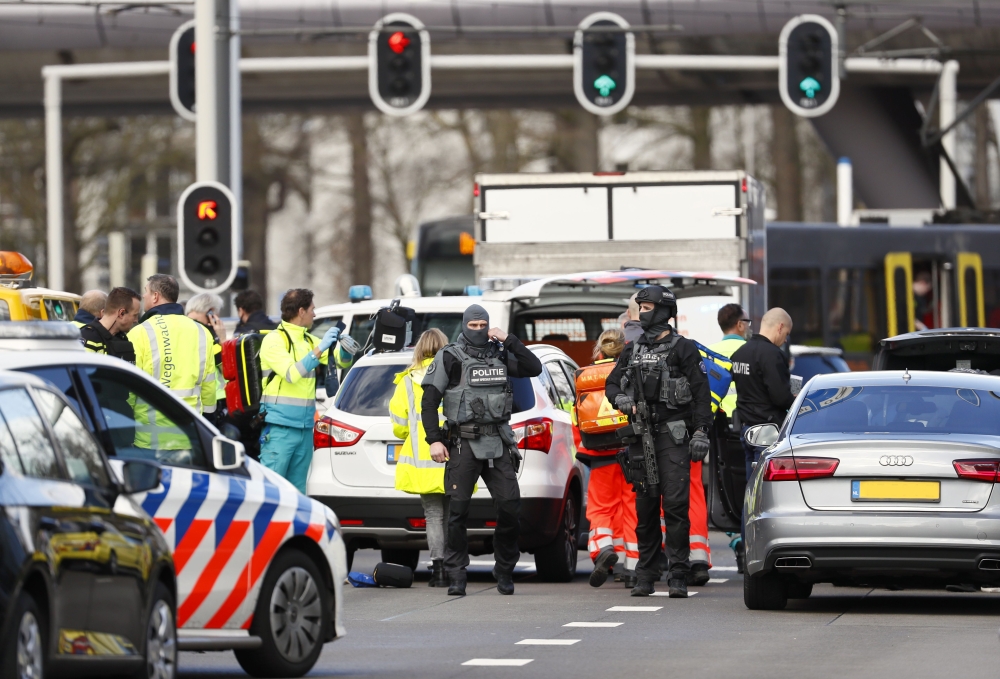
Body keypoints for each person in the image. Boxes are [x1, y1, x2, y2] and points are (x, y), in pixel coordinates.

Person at [421, 304, 542, 596]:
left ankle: (504, 570)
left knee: (511, 507)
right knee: (458, 512)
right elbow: (428, 401)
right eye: (472, 326)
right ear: (465, 325)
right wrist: (434, 439)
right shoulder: (450, 356)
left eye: (482, 326)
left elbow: (533, 367)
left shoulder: (499, 354)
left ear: (489, 326)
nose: (477, 331)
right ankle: (456, 574)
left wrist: (509, 339)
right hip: (463, 443)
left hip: (498, 441)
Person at [605, 285, 713, 598]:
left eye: (648, 306)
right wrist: (622, 398)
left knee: (677, 505)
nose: (643, 312)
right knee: (646, 505)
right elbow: (613, 383)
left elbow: (701, 394)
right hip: (641, 435)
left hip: (673, 434)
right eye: (641, 307)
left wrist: (702, 432)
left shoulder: (684, 348)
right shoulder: (633, 347)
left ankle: (678, 573)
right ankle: (647, 575)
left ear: (665, 310)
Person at [575, 328, 639, 589]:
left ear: (599, 350)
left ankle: (602, 549)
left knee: (601, 507)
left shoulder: (584, 375)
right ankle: (632, 567)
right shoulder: (632, 371)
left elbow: (576, 418)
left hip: (599, 453)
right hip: (630, 451)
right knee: (631, 508)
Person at [259, 288, 340, 493]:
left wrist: (346, 348)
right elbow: (291, 374)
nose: (315, 314)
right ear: (301, 311)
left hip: (304, 429)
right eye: (312, 309)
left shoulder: (308, 340)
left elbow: (341, 360)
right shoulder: (274, 340)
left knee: (297, 494)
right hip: (280, 429)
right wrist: (320, 349)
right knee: (273, 492)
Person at [389, 328, 450, 587]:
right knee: (452, 514)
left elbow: (399, 426)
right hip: (453, 455)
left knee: (433, 515)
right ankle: (453, 565)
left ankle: (439, 570)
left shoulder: (406, 381)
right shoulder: (453, 376)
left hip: (422, 460)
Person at [730, 307, 795, 548]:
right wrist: (796, 400)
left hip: (746, 431)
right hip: (767, 434)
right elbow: (779, 397)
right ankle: (760, 551)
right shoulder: (771, 354)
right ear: (779, 327)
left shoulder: (740, 354)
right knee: (764, 500)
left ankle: (747, 551)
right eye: (786, 333)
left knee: (750, 496)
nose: (785, 339)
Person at [129, 274, 218, 416]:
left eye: (146, 291)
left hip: (149, 430)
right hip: (190, 426)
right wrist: (208, 419)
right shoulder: (202, 332)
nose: (143, 296)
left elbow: (130, 385)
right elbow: (209, 384)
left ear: (155, 296)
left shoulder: (139, 332)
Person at [707, 302, 753, 571]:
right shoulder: (749, 351)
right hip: (749, 425)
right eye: (746, 321)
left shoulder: (711, 352)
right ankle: (747, 539)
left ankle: (736, 539)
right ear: (739, 324)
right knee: (749, 484)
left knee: (721, 486)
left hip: (719, 428)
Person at [186, 292, 228, 421]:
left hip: (187, 398)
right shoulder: (206, 333)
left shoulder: (182, 328)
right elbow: (224, 362)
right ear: (211, 312)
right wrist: (222, 339)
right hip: (212, 399)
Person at [79, 287, 141, 362]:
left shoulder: (122, 339)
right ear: (121, 313)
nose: (136, 320)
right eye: (135, 315)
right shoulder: (88, 338)